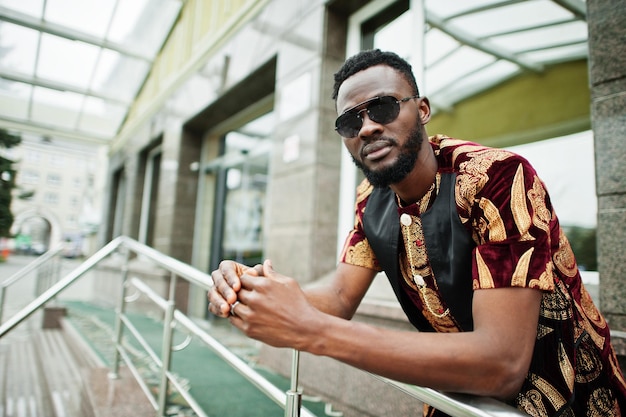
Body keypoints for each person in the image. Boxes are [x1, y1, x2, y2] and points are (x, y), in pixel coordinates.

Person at [208, 49, 626, 416]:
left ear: (422, 109)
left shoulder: (495, 178)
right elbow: (338, 296)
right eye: (350, 121)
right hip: (455, 395)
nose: (368, 127)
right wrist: (254, 287)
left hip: (569, 398)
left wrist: (312, 331)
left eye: (384, 107)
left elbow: (502, 364)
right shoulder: (370, 199)